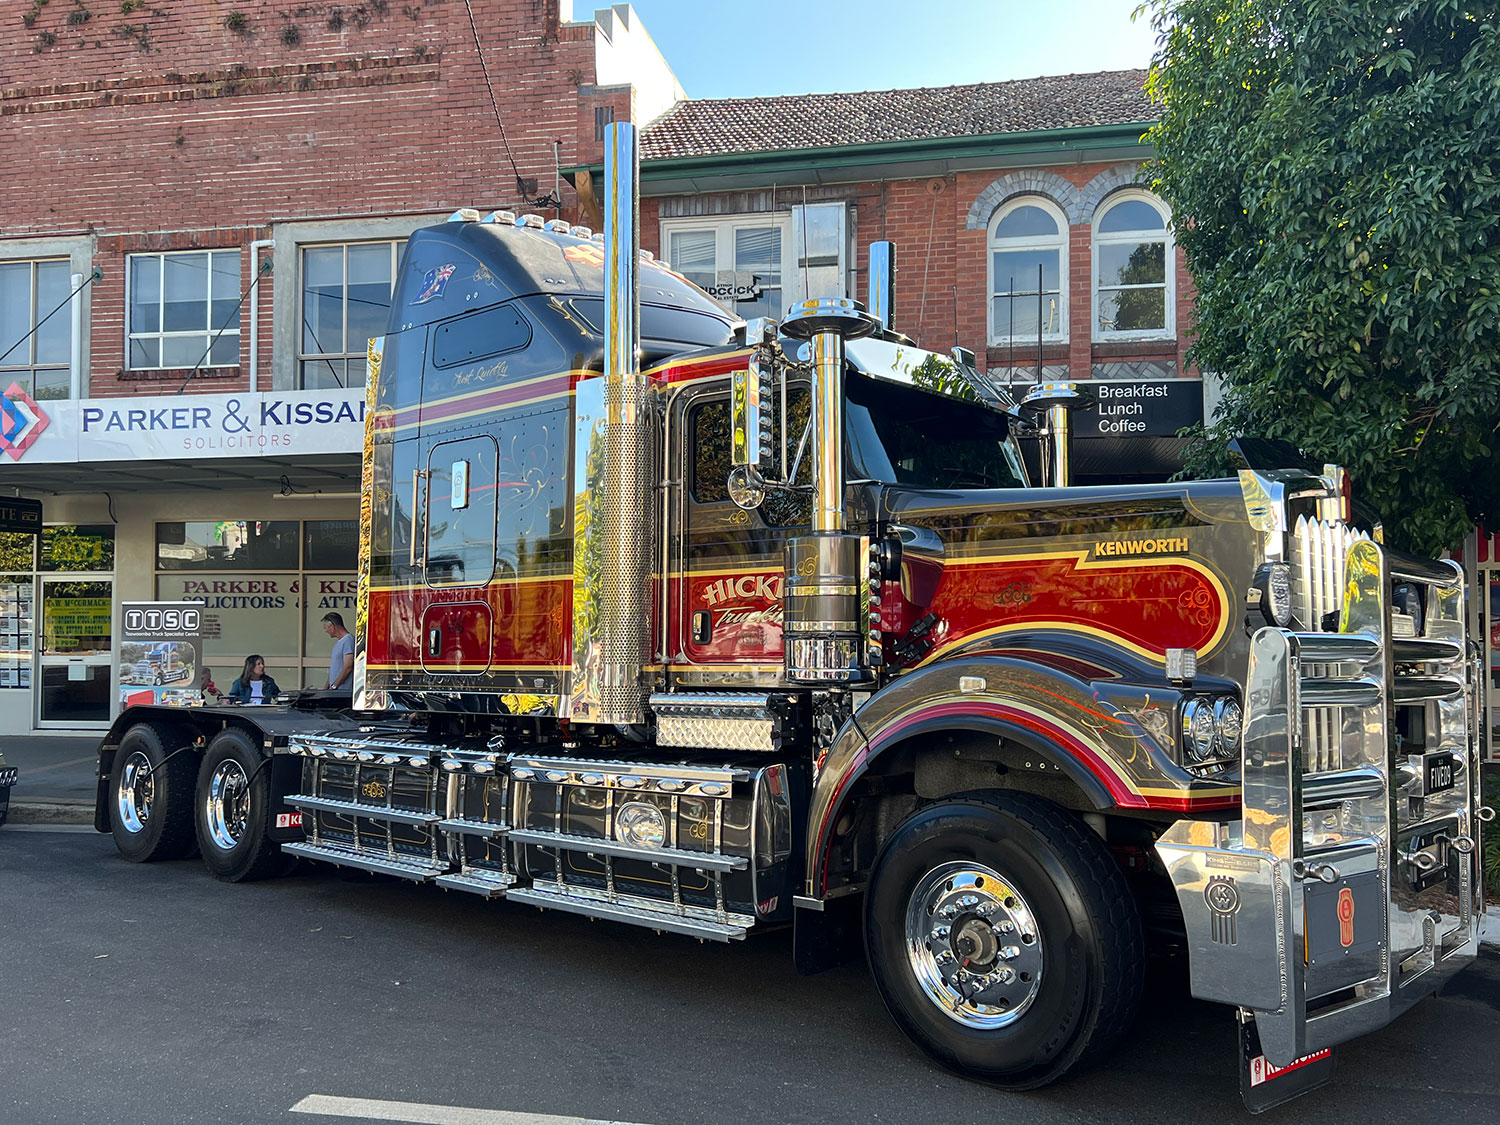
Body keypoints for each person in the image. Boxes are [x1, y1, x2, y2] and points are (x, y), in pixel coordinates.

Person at [322, 611, 355, 691]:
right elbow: (334, 669)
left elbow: (348, 666)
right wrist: (326, 689)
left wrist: (334, 686)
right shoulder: (338, 644)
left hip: (343, 692)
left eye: (326, 627)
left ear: (332, 626)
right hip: (335, 691)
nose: (326, 631)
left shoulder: (348, 640)